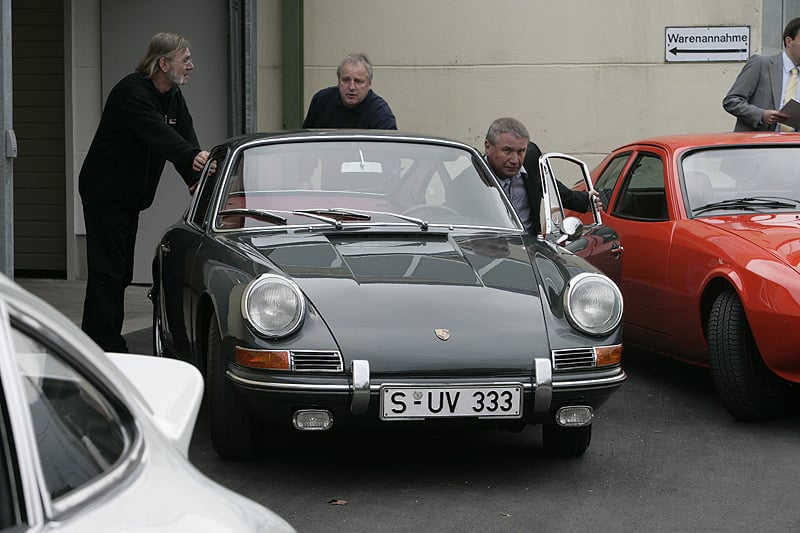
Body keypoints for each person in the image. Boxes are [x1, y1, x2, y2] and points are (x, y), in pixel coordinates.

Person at [78, 32, 209, 352]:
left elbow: (184, 136)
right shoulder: (131, 93)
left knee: (119, 272)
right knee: (108, 272)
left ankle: (91, 341)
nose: (191, 66)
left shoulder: (173, 95)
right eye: (185, 60)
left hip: (130, 198)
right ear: (163, 63)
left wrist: (196, 179)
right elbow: (158, 133)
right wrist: (189, 156)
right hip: (105, 194)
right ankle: (106, 345)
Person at [483, 117, 599, 235]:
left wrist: (585, 201)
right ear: (488, 147)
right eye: (507, 151)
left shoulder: (531, 159)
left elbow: (549, 186)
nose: (515, 160)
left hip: (528, 247)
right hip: (490, 248)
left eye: (521, 151)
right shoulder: (471, 179)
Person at [723, 17, 800, 131]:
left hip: (792, 146)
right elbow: (731, 101)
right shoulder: (761, 64)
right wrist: (761, 115)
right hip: (758, 144)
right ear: (789, 41)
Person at [302, 52, 397, 129]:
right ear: (338, 81)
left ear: (369, 84)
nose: (351, 87)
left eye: (358, 81)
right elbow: (305, 141)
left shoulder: (381, 114)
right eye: (346, 80)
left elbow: (388, 150)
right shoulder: (322, 101)